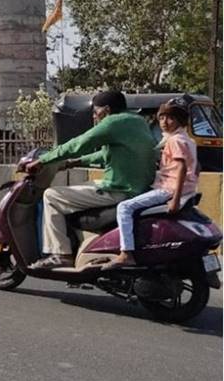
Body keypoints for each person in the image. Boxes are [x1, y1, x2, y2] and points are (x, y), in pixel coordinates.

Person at [24, 90, 156, 270]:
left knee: (51, 196)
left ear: (107, 110)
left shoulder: (112, 122)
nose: (94, 116)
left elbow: (79, 144)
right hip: (137, 188)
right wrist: (74, 163)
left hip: (118, 189)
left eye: (96, 111)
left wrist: (43, 160)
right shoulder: (137, 122)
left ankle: (60, 254)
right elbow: (106, 153)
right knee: (76, 190)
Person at [105, 99, 199, 269]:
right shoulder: (187, 140)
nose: (164, 122)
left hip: (169, 189)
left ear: (180, 121)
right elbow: (196, 167)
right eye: (162, 118)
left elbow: (181, 168)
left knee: (124, 208)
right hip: (185, 189)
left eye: (171, 118)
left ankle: (126, 253)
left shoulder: (174, 141)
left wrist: (175, 199)